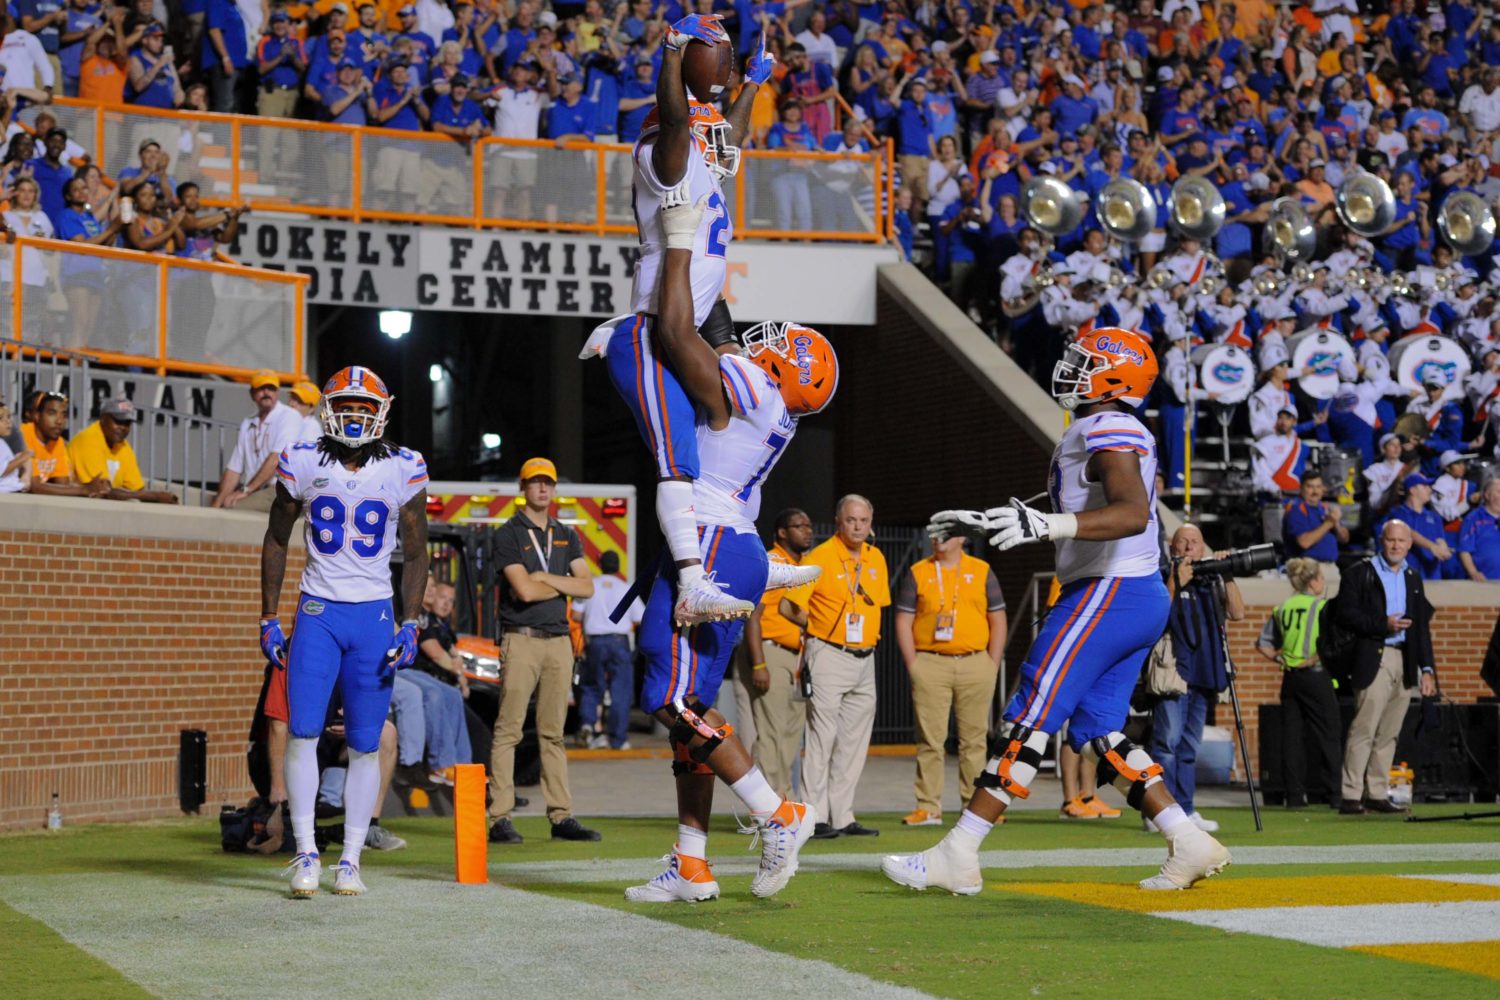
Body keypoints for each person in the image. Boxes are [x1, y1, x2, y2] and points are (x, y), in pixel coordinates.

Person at [885, 326, 1231, 895]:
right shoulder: (1095, 426)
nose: (1072, 366)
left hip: (1108, 591)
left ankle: (959, 852)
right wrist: (997, 519)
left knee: (1029, 713)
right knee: (1098, 732)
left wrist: (1047, 524)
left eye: (1086, 361)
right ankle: (1186, 837)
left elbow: (1131, 512)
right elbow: (1083, 497)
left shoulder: (1111, 425)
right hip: (1131, 593)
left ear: (1114, 377)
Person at [621, 195, 834, 902]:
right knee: (694, 715)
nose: (761, 343)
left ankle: (778, 813)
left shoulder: (751, 386)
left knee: (666, 698)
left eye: (780, 344)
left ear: (785, 367)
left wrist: (681, 243)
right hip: (733, 542)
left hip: (710, 544)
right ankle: (692, 863)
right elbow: (717, 333)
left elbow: (676, 330)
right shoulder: (769, 407)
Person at [582, 19, 804, 626]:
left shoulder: (703, 155)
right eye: (705, 134)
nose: (718, 145)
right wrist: (674, 58)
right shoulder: (666, 152)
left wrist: (751, 85)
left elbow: (725, 138)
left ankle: (746, 552)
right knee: (679, 458)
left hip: (685, 327)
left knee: (730, 446)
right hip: (656, 331)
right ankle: (690, 582)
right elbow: (679, 122)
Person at [259, 365, 430, 896]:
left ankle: (351, 859)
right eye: (346, 407)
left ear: (381, 412)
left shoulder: (405, 466)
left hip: (373, 616)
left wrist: (411, 621)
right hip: (318, 612)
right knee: (302, 731)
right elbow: (276, 537)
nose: (355, 416)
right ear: (328, 411)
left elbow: (417, 551)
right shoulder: (302, 459)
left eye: (364, 408)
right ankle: (306, 852)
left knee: (365, 742)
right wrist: (268, 616)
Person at [485, 456, 601, 845]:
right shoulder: (508, 534)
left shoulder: (566, 534)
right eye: (535, 482)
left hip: (558, 642)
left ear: (553, 489)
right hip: (521, 638)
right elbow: (524, 591)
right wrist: (562, 582)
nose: (542, 488)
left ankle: (561, 815)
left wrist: (545, 577)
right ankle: (499, 817)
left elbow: (587, 587)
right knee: (509, 729)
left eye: (547, 482)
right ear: (523, 488)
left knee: (554, 733)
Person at [784, 494, 889, 840]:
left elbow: (877, 605)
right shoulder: (820, 557)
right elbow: (788, 605)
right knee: (821, 737)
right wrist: (816, 629)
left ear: (870, 523)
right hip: (828, 652)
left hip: (865, 656)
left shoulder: (876, 557)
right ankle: (814, 816)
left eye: (864, 521)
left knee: (854, 740)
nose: (858, 527)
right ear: (838, 522)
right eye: (851, 520)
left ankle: (843, 815)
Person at [893, 525, 1007, 828]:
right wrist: (914, 664)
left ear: (962, 538)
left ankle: (975, 808)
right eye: (935, 533)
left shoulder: (982, 570)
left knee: (975, 741)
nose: (938, 539)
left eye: (946, 533)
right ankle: (928, 807)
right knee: (930, 741)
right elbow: (903, 620)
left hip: (975, 662)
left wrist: (992, 663)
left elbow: (998, 619)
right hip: (931, 662)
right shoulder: (919, 571)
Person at [1333, 520, 1438, 815]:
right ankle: (1351, 795)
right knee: (1364, 726)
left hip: (1405, 658)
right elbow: (1345, 614)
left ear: (1409, 545)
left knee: (1390, 730)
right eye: (1391, 540)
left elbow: (1421, 628)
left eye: (1401, 541)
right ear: (1382, 540)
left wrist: (1427, 669)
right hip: (1374, 655)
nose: (1396, 545)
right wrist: (1384, 624)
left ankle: (1377, 793)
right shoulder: (1360, 572)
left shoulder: (1412, 577)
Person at [1153, 524, 1244, 834]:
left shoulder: (1212, 579)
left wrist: (1227, 574)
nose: (1190, 547)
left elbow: (1238, 613)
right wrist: (1175, 581)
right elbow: (1155, 617)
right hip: (1174, 671)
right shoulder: (1161, 574)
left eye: (1195, 542)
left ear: (1203, 548)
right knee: (1167, 744)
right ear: (1173, 547)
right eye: (1183, 542)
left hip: (1205, 672)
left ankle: (1186, 809)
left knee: (1189, 748)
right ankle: (1160, 812)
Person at [740, 507, 815, 799]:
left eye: (808, 525)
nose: (807, 531)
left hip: (798, 656)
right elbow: (753, 616)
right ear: (782, 532)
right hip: (771, 651)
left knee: (791, 734)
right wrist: (759, 664)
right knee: (771, 731)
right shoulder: (772, 562)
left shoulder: (804, 565)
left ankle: (785, 797)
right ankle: (770, 802)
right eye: (799, 526)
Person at [1255, 557, 1342, 809]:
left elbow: (1262, 644)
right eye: (1321, 578)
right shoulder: (1322, 606)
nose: (1323, 582)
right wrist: (1314, 658)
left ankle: (1294, 797)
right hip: (1315, 675)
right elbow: (1333, 643)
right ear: (1313, 581)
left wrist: (1281, 658)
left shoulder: (1282, 608)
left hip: (1290, 677)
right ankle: (1335, 795)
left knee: (1291, 738)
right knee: (1329, 734)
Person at [570, 550, 643, 750]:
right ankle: (618, 739)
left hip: (595, 642)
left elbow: (575, 615)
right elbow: (639, 618)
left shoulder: (590, 586)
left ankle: (588, 726)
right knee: (620, 691)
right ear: (618, 567)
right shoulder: (626, 588)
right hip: (619, 643)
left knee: (591, 686)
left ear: (600, 565)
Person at [212, 371, 303, 511]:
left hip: (280, 490)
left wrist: (246, 490)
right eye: (261, 388)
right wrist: (216, 505)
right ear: (252, 393)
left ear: (277, 392)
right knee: (223, 504)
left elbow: (277, 459)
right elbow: (234, 469)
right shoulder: (248, 423)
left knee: (233, 507)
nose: (266, 392)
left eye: (271, 388)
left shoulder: (290, 416)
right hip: (255, 490)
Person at [67, 396, 179, 503]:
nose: (123, 427)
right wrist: (156, 496)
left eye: (127, 423)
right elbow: (103, 491)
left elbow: (137, 489)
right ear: (103, 419)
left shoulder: (123, 446)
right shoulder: (89, 439)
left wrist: (156, 497)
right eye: (118, 421)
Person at [21, 391, 106, 498]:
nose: (59, 421)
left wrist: (92, 487)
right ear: (37, 416)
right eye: (52, 413)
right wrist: (84, 489)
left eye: (64, 415)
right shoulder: (24, 434)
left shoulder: (57, 442)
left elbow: (63, 485)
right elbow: (34, 486)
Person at [1381, 474, 1454, 580]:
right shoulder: (1398, 513)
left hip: (1432, 575)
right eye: (1425, 486)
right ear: (1412, 490)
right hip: (1406, 575)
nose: (1429, 489)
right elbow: (1408, 533)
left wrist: (1444, 549)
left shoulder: (1434, 517)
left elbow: (1440, 539)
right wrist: (1432, 547)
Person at [1281, 472, 1348, 562]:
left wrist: (1337, 525)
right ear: (1301, 488)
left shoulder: (1326, 508)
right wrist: (1329, 523)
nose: (1315, 491)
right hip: (1306, 565)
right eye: (1310, 487)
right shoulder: (1296, 509)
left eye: (1318, 487)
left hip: (1330, 564)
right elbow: (1304, 542)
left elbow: (1344, 539)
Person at [1457, 479, 1500, 581]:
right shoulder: (1474, 519)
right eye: (1499, 492)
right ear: (1487, 495)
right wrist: (1473, 572)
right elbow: (1464, 550)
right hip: (1485, 582)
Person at [0, 400, 30, 492]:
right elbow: (2, 470)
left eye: (8, 417)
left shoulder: (2, 442)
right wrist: (21, 458)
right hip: (5, 491)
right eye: (1, 418)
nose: (8, 422)